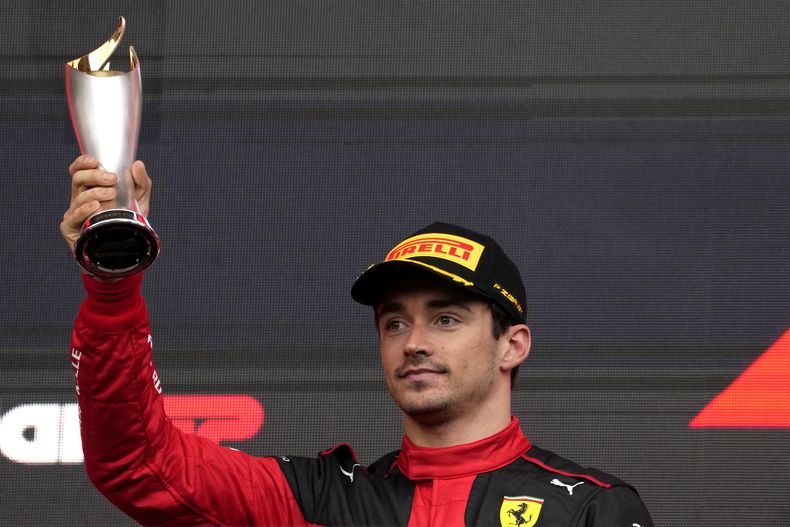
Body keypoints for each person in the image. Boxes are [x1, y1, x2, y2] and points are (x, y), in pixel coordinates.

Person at [62, 155, 655, 526]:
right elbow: (137, 463)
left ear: (512, 345)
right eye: (394, 322)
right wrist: (113, 286)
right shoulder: (317, 502)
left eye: (446, 320)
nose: (414, 341)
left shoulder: (588, 509)